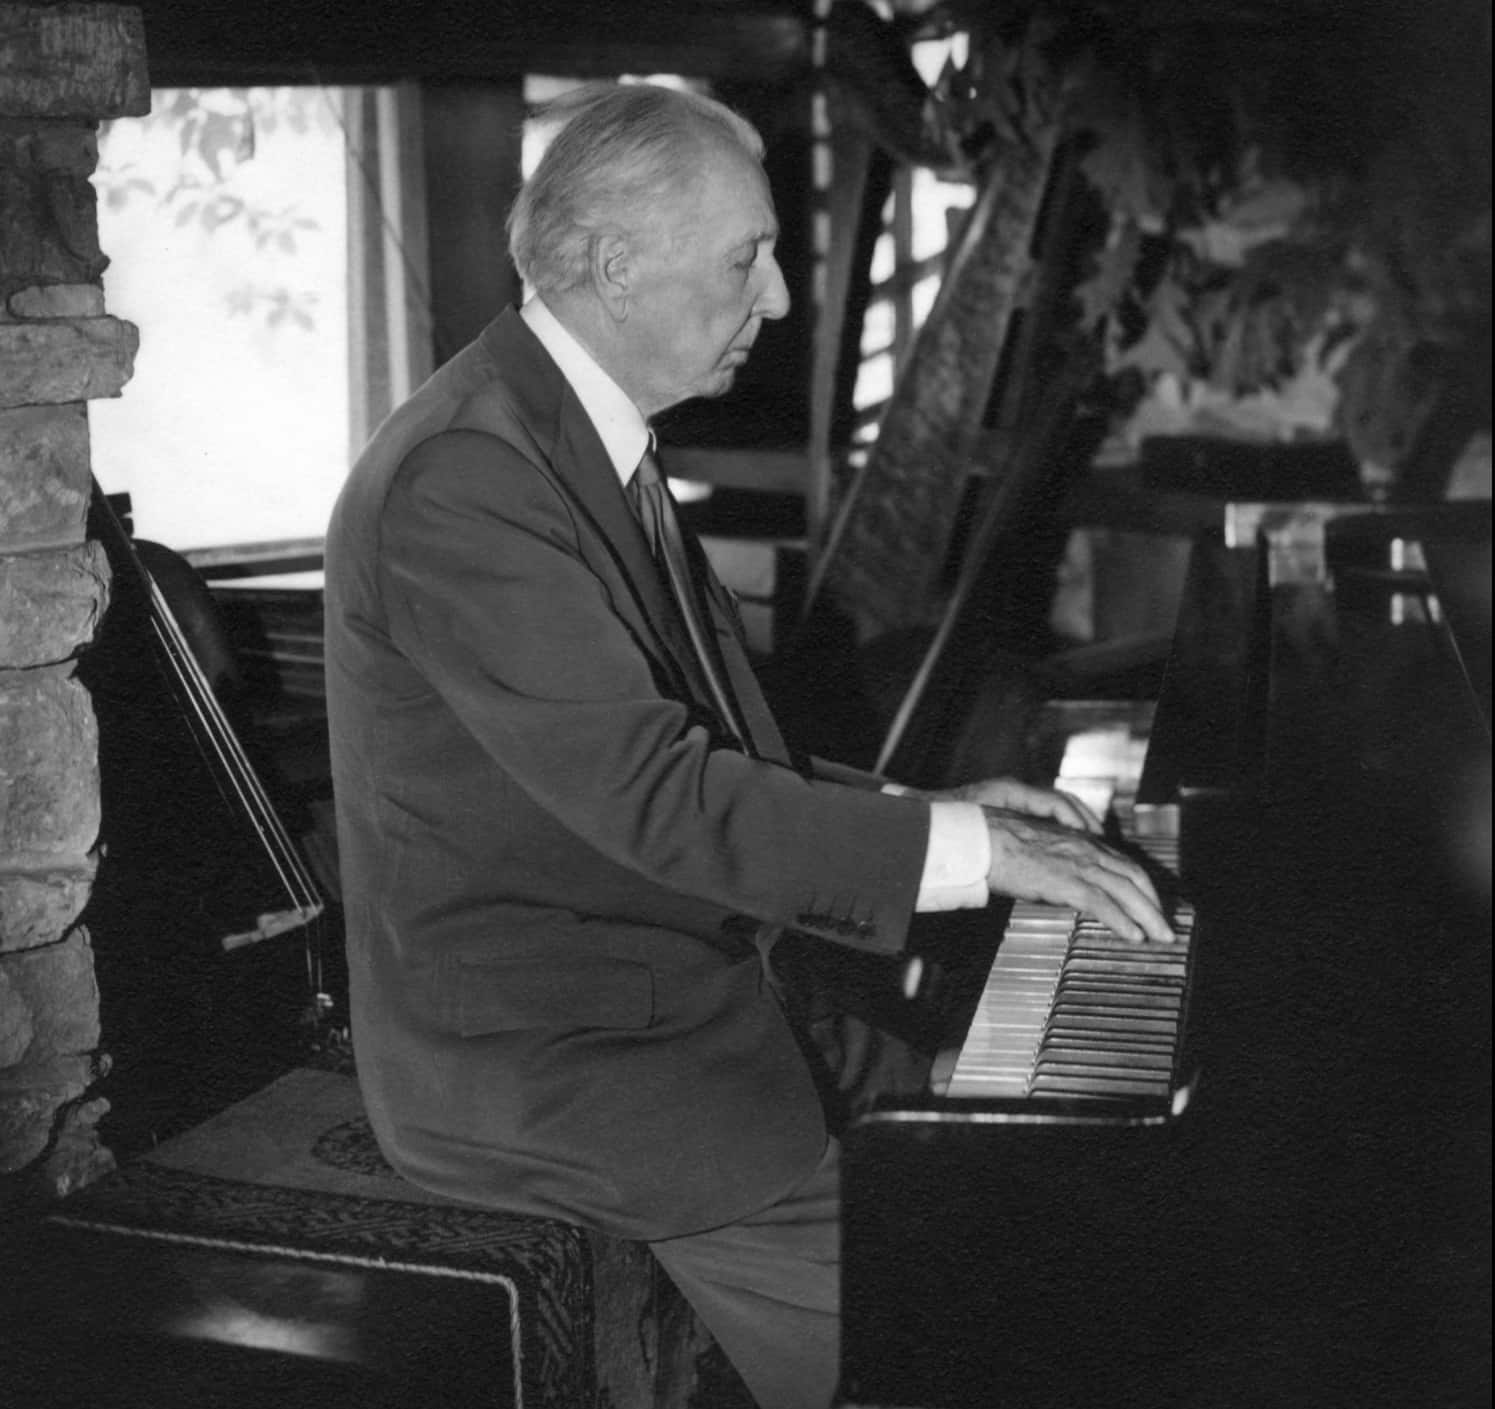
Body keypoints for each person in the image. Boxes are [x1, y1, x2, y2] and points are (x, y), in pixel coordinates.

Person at [323, 81, 1172, 1409]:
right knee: (996, 1333)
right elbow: (662, 795)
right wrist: (969, 851)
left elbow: (692, 752)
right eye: (746, 260)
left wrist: (931, 804)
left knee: (1041, 1153)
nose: (775, 299)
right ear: (616, 267)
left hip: (693, 993)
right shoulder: (467, 480)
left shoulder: (575, 436)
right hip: (566, 1065)